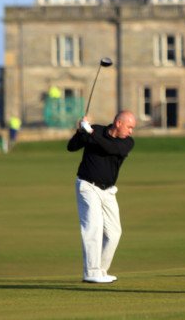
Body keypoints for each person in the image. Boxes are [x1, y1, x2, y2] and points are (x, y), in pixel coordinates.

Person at [67, 111, 136, 283]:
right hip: (87, 186)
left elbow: (110, 148)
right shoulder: (96, 130)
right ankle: (91, 272)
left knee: (114, 233)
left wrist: (90, 133)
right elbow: (72, 147)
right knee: (93, 227)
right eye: (129, 127)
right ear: (118, 123)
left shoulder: (127, 142)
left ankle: (101, 271)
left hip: (108, 191)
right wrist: (80, 132)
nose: (131, 131)